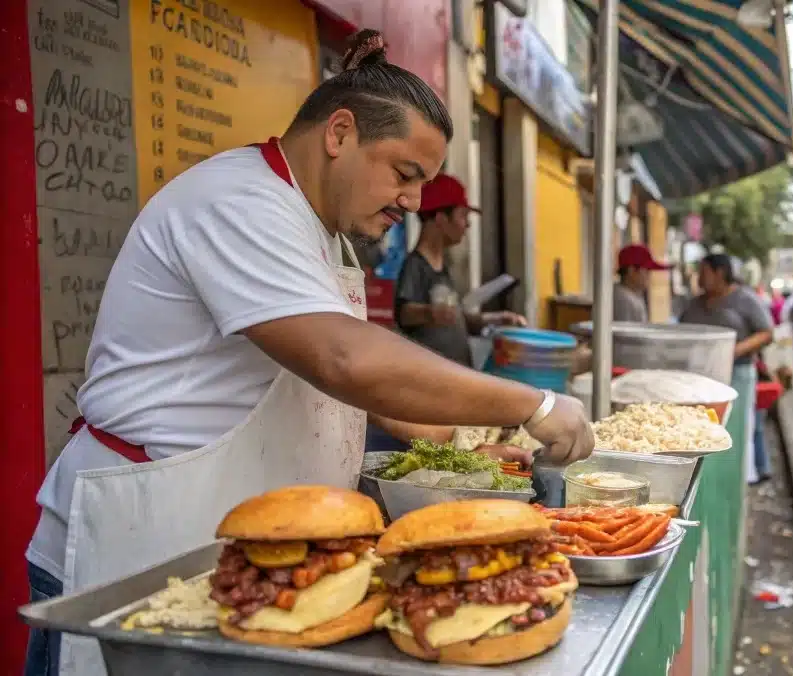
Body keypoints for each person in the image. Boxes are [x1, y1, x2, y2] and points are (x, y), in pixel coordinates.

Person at [24, 31, 593, 676]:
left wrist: (457, 457)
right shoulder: (240, 203)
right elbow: (343, 360)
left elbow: (350, 389)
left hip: (243, 547)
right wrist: (534, 405)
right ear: (340, 133)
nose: (413, 202)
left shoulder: (324, 229)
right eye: (405, 174)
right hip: (146, 543)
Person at [395, 173, 525, 367]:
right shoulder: (416, 265)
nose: (467, 224)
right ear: (441, 219)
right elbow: (404, 314)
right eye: (463, 215)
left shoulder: (443, 267)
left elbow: (455, 318)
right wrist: (430, 313)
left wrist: (493, 320)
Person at [680, 254, 774, 484]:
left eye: (703, 272)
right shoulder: (695, 304)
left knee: (738, 425)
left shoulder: (745, 299)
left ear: (720, 273)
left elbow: (766, 333)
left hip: (738, 373)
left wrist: (734, 350)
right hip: (700, 376)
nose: (699, 278)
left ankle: (742, 476)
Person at [613, 244, 669, 323]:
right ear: (631, 270)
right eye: (647, 270)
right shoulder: (622, 299)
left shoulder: (631, 295)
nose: (649, 275)